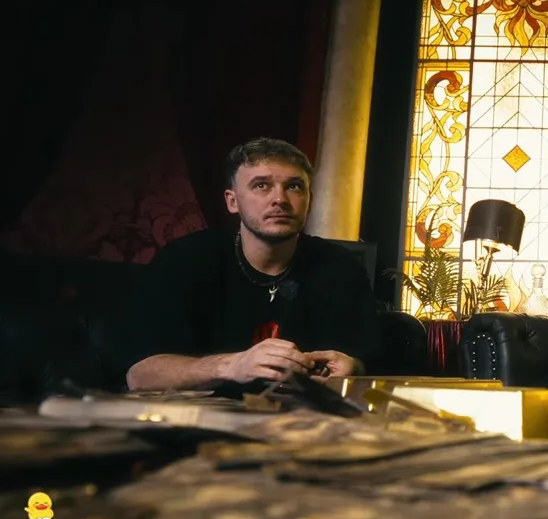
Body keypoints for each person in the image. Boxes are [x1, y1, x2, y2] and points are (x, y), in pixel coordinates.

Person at [116, 138, 381, 393]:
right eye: (261, 185)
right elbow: (139, 375)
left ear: (309, 200)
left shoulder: (341, 268)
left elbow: (365, 362)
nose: (280, 199)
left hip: (302, 419)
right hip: (198, 419)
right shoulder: (184, 259)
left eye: (294, 186)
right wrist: (233, 366)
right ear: (232, 201)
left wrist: (352, 369)